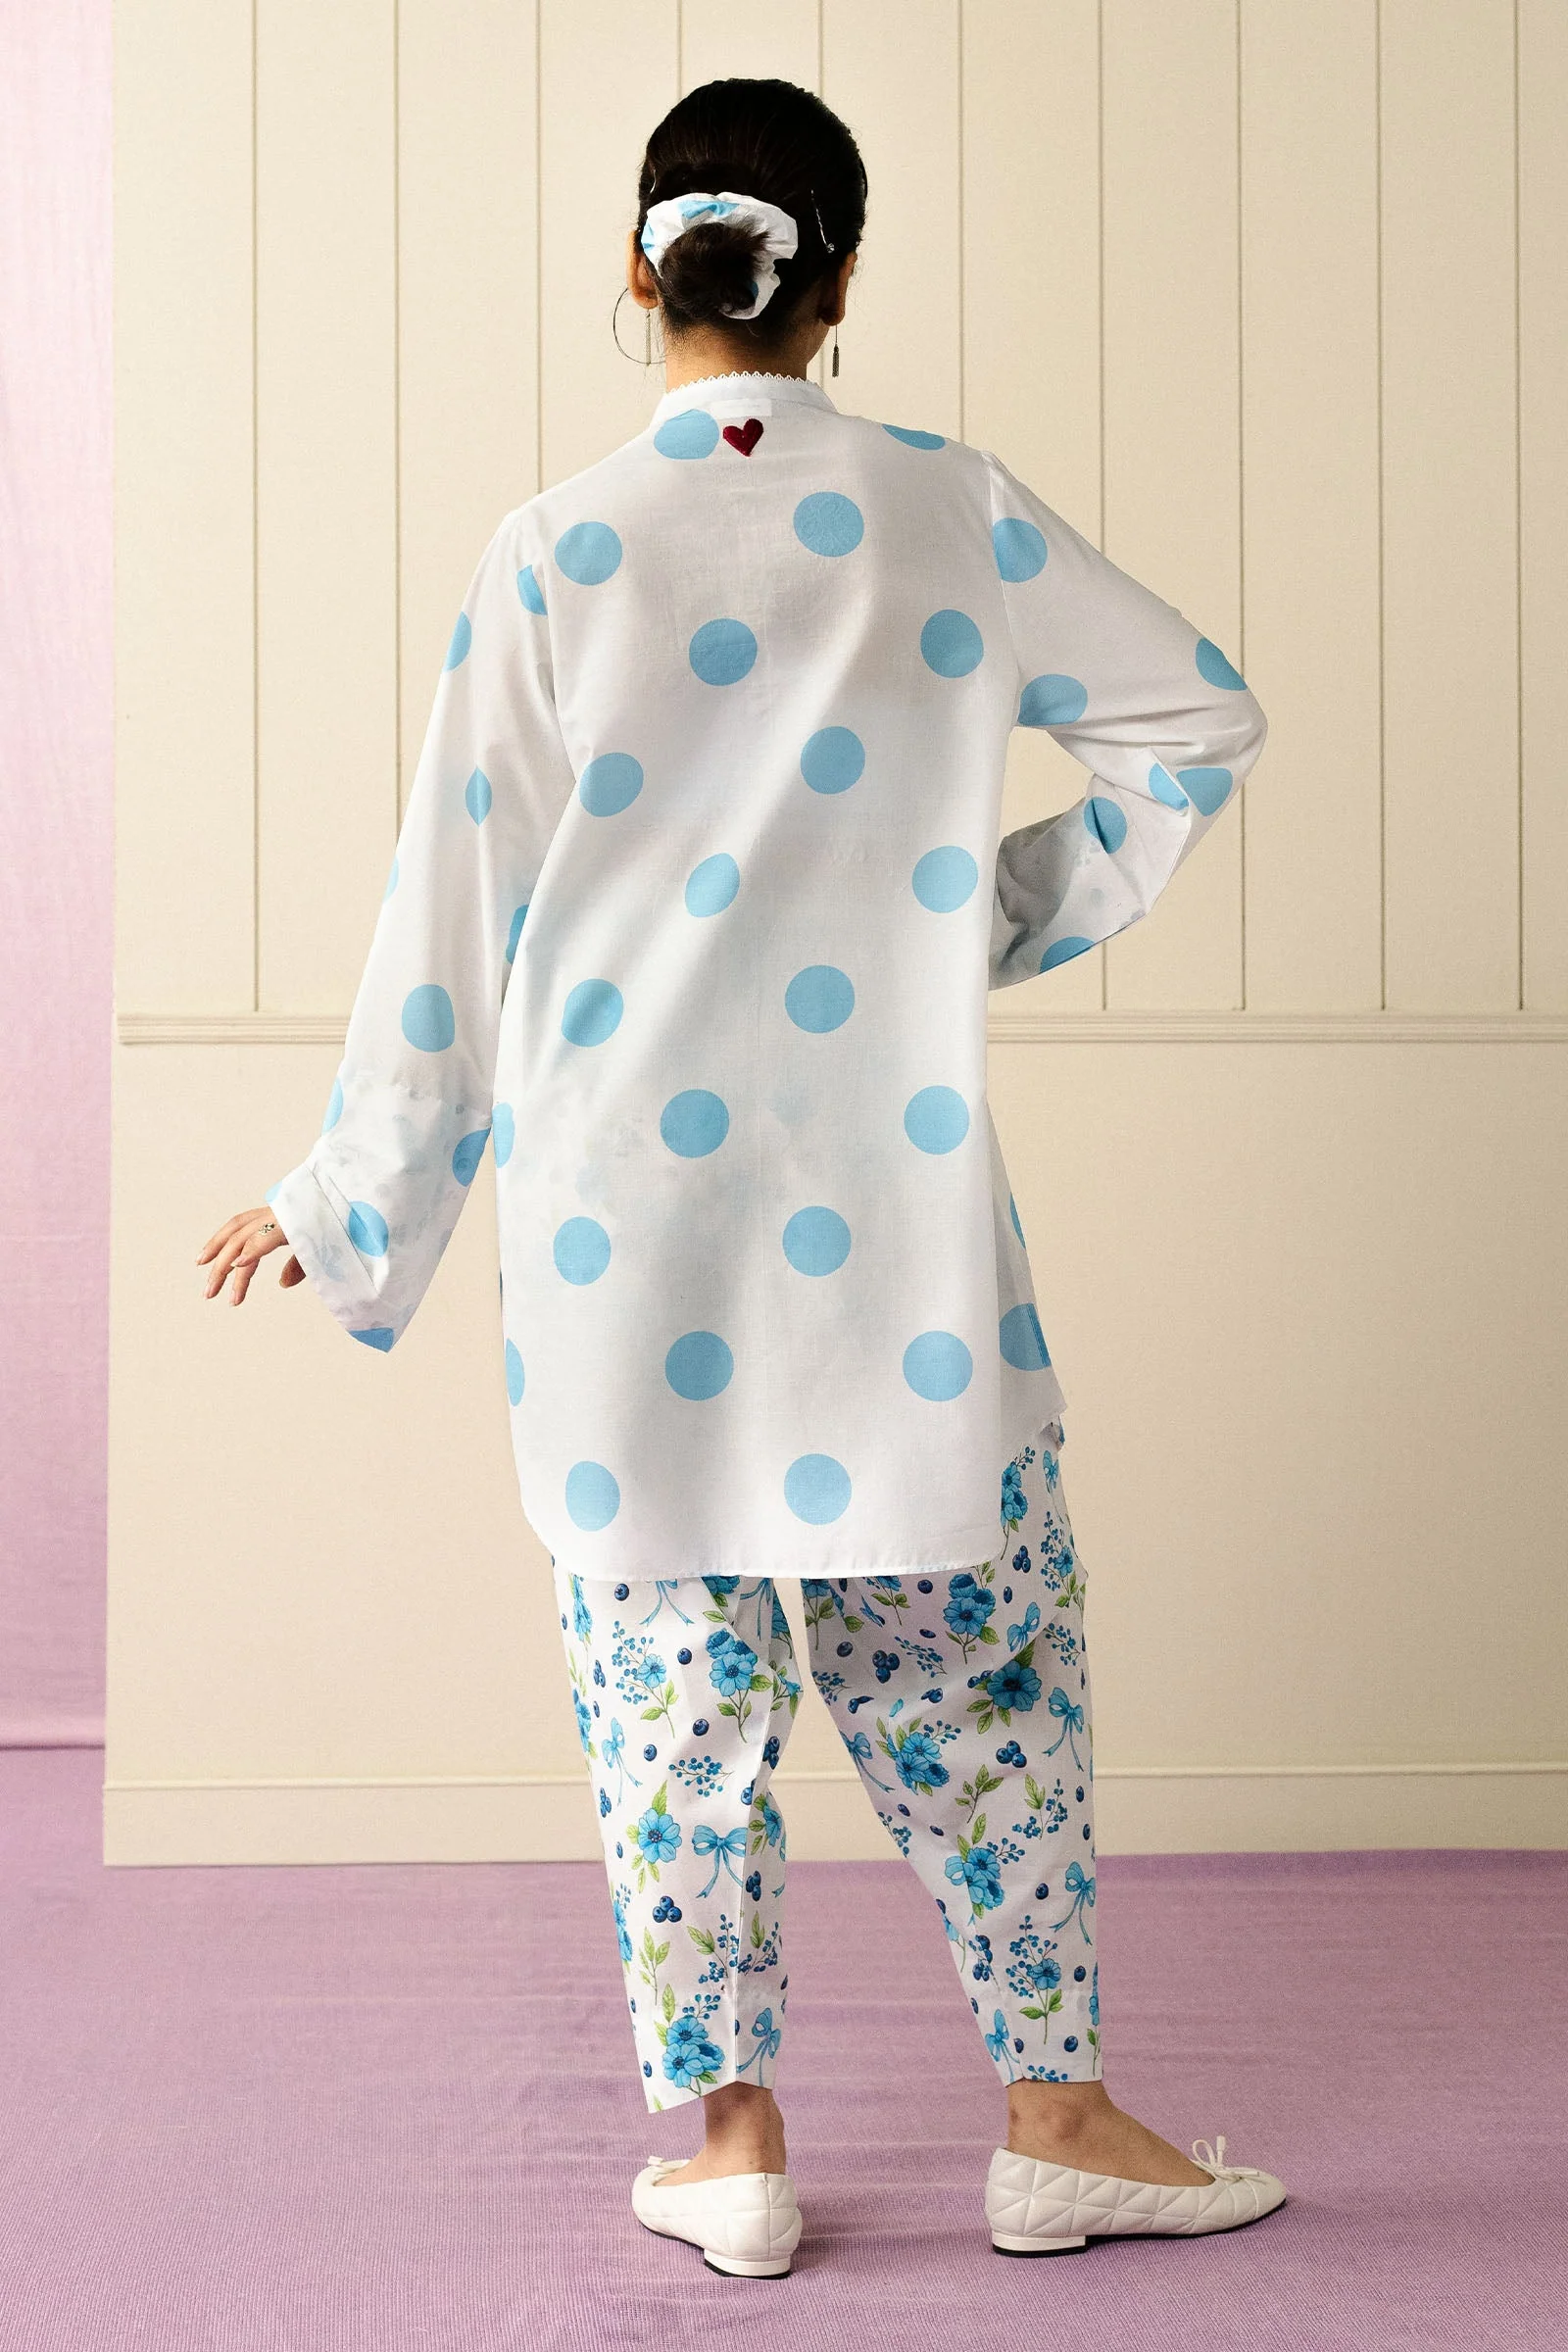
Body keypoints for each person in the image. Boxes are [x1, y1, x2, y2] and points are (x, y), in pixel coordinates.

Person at [197, 77, 1284, 2278]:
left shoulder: (552, 549)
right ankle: (1054, 2119)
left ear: (642, 267)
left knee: (668, 1710)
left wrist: (347, 1196)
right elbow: (1195, 724)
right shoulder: (948, 515)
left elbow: (455, 906)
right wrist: (972, 920)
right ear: (839, 278)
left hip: (622, 1234)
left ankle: (733, 2148)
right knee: (982, 1676)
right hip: (891, 1214)